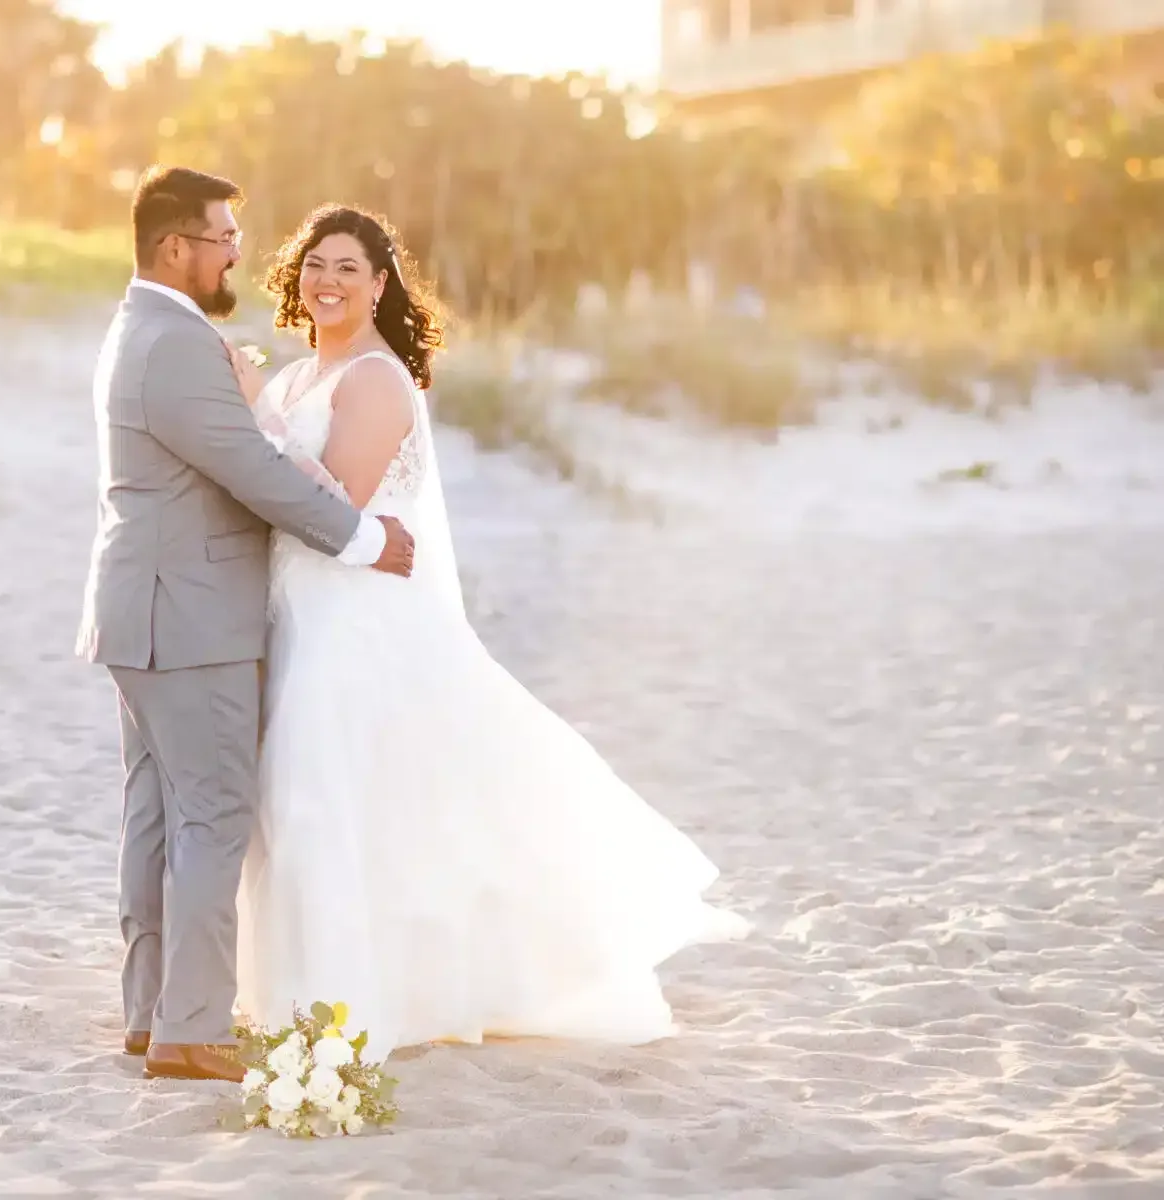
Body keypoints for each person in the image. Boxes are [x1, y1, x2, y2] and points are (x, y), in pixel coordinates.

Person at [232, 204, 749, 1062]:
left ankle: (350, 1000)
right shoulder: (290, 381)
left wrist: (258, 417)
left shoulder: (375, 380)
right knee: (297, 800)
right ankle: (297, 989)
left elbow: (337, 507)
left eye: (348, 268)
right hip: (293, 608)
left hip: (355, 617)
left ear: (379, 284)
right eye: (314, 263)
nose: (326, 280)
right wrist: (261, 411)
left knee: (329, 793)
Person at [75, 168, 417, 1083]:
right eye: (224, 237)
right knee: (215, 813)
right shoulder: (175, 341)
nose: (237, 252)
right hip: (190, 618)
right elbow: (251, 473)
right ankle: (192, 1027)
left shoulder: (140, 326)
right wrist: (360, 537)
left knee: (156, 816)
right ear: (176, 247)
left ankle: (152, 1013)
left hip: (145, 612)